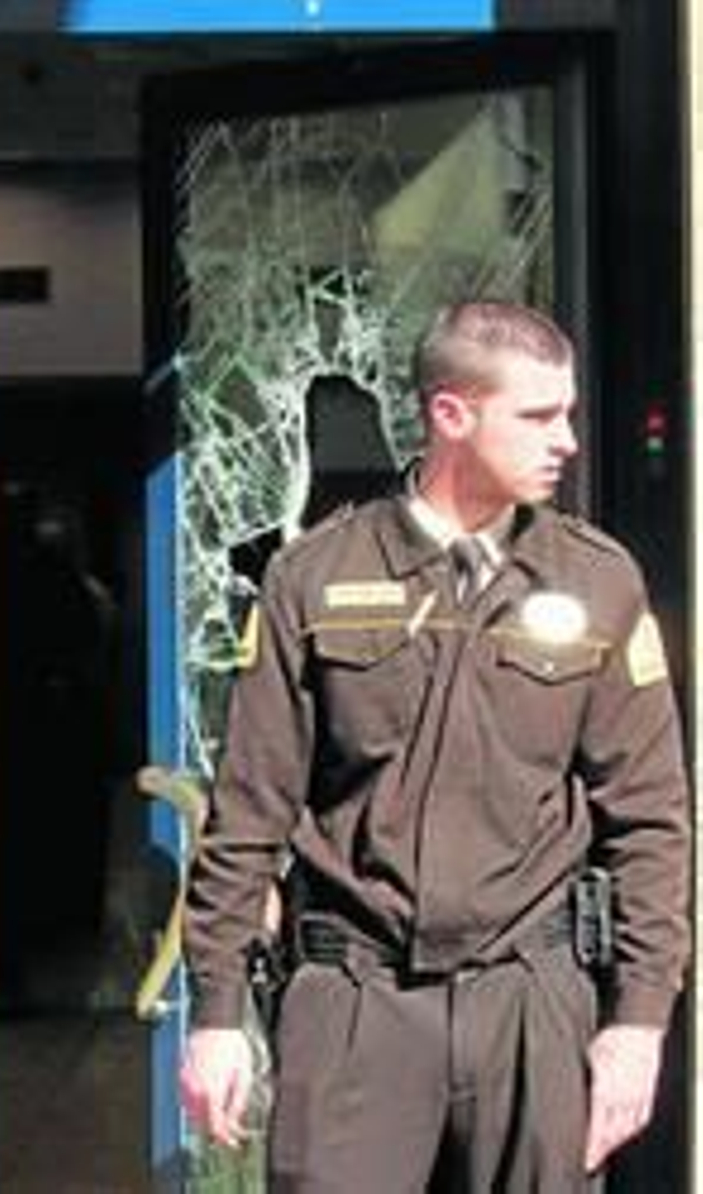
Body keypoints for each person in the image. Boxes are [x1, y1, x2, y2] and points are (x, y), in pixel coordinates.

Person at [178, 301, 690, 1191]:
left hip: (532, 1002)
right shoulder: (316, 577)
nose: (566, 440)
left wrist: (639, 1021)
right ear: (452, 414)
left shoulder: (596, 580)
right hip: (355, 1006)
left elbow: (651, 820)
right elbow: (249, 809)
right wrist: (217, 1012)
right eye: (538, 416)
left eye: (567, 413)